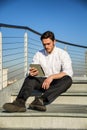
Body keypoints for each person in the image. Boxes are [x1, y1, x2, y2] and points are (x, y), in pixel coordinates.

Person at [3, 31, 73, 112]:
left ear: (54, 41)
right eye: (44, 44)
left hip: (54, 83)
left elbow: (68, 71)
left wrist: (51, 77)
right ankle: (20, 102)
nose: (46, 46)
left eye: (48, 44)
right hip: (41, 82)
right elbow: (32, 68)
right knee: (30, 77)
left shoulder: (63, 54)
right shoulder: (38, 54)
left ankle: (40, 101)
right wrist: (31, 72)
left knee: (68, 80)